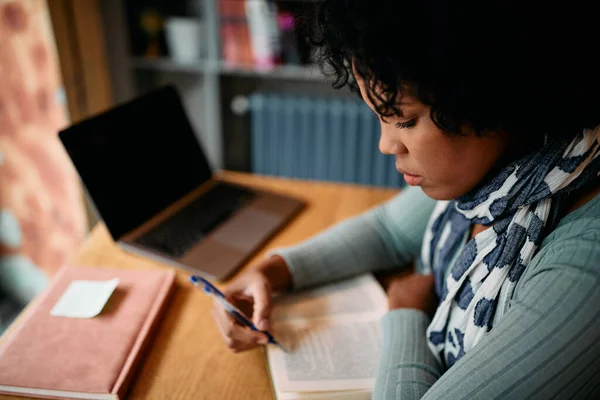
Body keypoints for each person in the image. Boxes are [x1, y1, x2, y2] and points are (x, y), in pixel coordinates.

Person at [211, 1, 600, 398]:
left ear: (492, 94)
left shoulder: (584, 267)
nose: (385, 144)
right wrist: (268, 273)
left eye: (405, 120)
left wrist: (405, 314)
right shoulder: (505, 178)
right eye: (379, 116)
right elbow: (386, 232)